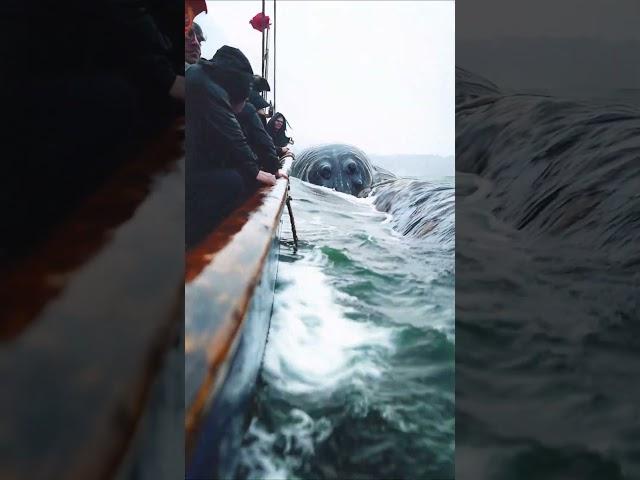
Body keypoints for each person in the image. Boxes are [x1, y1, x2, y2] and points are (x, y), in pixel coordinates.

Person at [186, 46, 283, 247]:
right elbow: (233, 136)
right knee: (234, 181)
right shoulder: (205, 87)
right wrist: (261, 171)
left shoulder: (199, 77)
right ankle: (200, 245)